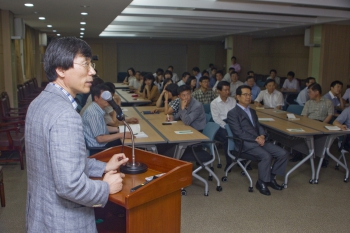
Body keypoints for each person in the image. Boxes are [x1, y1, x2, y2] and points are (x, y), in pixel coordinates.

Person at [25, 37, 129, 232]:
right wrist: (106, 188)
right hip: (64, 222)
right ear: (61, 69)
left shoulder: (38, 103)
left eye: (92, 64)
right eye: (86, 64)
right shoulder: (65, 115)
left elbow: (58, 162)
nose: (93, 72)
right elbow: (70, 186)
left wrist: (104, 167)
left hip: (42, 217)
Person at [227, 85, 289, 196]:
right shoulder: (233, 113)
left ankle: (270, 178)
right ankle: (261, 182)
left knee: (283, 153)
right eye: (245, 94)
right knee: (266, 156)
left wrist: (262, 135)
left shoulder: (252, 111)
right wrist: (256, 138)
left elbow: (258, 125)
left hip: (259, 140)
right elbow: (238, 132)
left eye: (250, 94)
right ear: (238, 97)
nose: (248, 97)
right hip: (245, 143)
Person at [82, 84, 132, 152]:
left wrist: (119, 129)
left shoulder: (96, 109)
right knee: (129, 147)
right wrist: (121, 134)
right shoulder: (94, 113)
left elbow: (101, 128)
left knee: (126, 143)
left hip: (102, 145)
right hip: (98, 149)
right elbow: (100, 139)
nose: (107, 99)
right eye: (104, 96)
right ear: (96, 98)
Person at [210, 81, 237, 170]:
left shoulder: (233, 100)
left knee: (241, 135)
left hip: (232, 122)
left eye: (228, 90)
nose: (227, 92)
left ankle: (242, 159)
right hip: (220, 124)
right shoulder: (214, 103)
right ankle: (229, 162)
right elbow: (216, 119)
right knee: (227, 138)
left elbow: (235, 115)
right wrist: (226, 126)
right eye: (225, 90)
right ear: (219, 91)